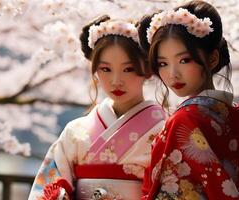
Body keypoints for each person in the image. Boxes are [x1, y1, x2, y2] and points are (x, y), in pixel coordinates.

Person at [28, 15, 166, 200]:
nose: (116, 81)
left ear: (148, 69)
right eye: (105, 69)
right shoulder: (74, 132)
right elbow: (48, 186)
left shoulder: (165, 129)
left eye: (128, 69)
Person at [137, 1, 239, 199]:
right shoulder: (233, 113)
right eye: (163, 63)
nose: (172, 74)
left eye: (184, 60)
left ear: (212, 59)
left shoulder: (184, 120)